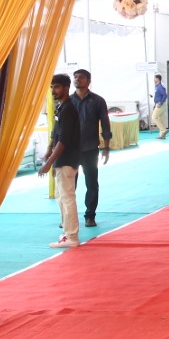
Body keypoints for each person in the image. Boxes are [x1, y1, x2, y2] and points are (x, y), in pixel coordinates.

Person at [39, 74, 82, 248]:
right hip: (62, 159)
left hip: (67, 159)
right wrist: (49, 147)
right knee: (61, 196)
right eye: (51, 87)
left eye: (56, 87)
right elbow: (56, 132)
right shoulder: (61, 107)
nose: (53, 91)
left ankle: (72, 236)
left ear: (66, 88)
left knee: (67, 197)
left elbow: (63, 140)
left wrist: (49, 162)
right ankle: (67, 232)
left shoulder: (68, 109)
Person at [70, 68, 111, 228]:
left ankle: (90, 216)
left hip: (90, 149)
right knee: (68, 186)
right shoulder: (67, 101)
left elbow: (105, 124)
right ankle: (68, 217)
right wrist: (53, 147)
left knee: (92, 183)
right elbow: (59, 126)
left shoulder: (98, 101)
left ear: (89, 81)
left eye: (81, 77)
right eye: (75, 77)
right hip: (70, 150)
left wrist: (106, 148)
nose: (77, 79)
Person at [151, 74, 168, 139]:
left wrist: (160, 102)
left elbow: (165, 95)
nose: (154, 79)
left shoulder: (160, 86)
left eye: (154, 78)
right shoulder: (158, 86)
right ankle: (162, 135)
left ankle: (163, 130)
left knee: (154, 117)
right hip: (159, 104)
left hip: (160, 105)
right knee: (160, 119)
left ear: (157, 79)